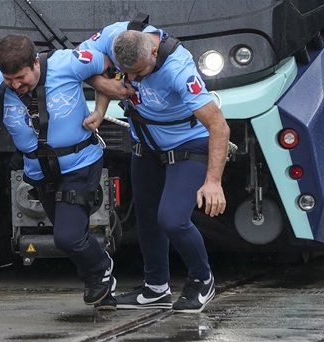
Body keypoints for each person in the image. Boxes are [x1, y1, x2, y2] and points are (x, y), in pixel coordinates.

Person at [81, 21, 230, 313]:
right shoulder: (115, 36)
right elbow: (81, 63)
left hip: (187, 144)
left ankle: (202, 279)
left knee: (172, 219)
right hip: (146, 144)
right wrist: (102, 96)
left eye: (138, 72)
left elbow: (219, 126)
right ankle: (155, 287)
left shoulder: (179, 70)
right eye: (127, 73)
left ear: (152, 51)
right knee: (147, 218)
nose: (132, 79)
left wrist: (213, 182)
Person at [0, 34, 117, 310]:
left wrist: (100, 108)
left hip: (80, 162)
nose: (16, 86)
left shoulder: (67, 63)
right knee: (68, 236)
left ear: (35, 64)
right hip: (39, 171)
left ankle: (101, 267)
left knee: (67, 236)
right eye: (9, 80)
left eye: (21, 78)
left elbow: (107, 64)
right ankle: (100, 287)